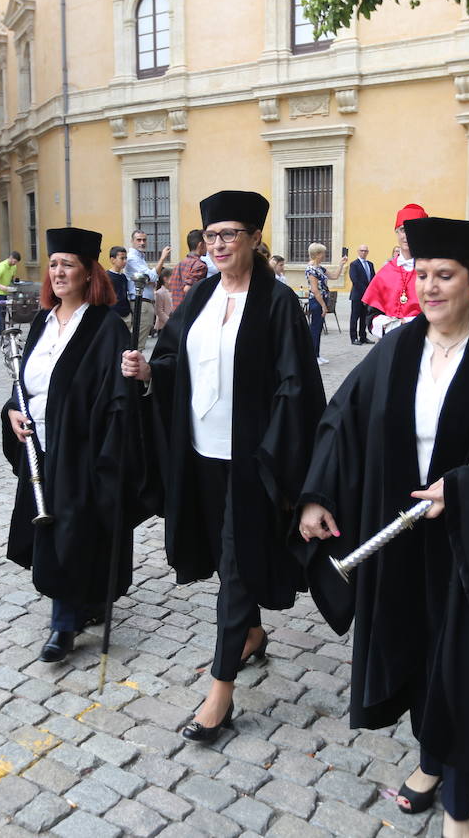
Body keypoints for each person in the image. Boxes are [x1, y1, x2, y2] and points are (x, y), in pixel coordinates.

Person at [297, 217, 469, 837]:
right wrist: (316, 495)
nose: (430, 288)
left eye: (445, 275)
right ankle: (427, 760)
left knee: (468, 668)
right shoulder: (396, 347)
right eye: (421, 275)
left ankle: (461, 799)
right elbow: (344, 419)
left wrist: (467, 492)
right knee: (417, 653)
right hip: (402, 535)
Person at [121, 190, 324, 744]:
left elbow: (296, 386)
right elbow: (172, 353)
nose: (219, 245)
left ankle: (220, 690)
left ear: (256, 239)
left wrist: (280, 458)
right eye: (212, 236)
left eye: (230, 234)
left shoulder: (279, 302)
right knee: (222, 551)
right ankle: (252, 632)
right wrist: (147, 372)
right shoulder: (203, 294)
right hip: (199, 452)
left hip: (253, 457)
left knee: (235, 564)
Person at [3, 228, 142, 662]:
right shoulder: (43, 321)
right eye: (54, 265)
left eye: (68, 265)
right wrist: (11, 410)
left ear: (88, 274)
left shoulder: (105, 329)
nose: (58, 272)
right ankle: (82, 603)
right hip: (41, 445)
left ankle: (62, 624)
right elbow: (25, 383)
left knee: (72, 530)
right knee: (57, 529)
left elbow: (121, 396)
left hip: (83, 450)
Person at [362, 204, 428, 338]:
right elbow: (372, 314)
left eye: (413, 230)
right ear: (396, 232)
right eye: (403, 230)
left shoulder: (431, 271)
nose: (407, 236)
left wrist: (408, 323)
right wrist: (386, 324)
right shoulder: (385, 272)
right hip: (388, 343)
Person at [125, 230, 171, 349]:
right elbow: (152, 277)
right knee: (137, 345)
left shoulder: (140, 258)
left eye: (144, 240)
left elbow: (152, 280)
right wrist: (162, 258)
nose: (142, 242)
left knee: (139, 343)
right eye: (138, 240)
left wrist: (151, 278)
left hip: (145, 302)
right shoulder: (132, 258)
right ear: (132, 241)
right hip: (140, 302)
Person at [305, 243, 347, 365]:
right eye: (323, 253)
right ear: (317, 254)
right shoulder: (311, 269)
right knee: (315, 329)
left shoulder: (320, 268)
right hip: (317, 301)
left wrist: (341, 264)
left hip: (321, 299)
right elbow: (314, 289)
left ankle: (317, 354)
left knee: (318, 329)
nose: (324, 255)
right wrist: (323, 305)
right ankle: (313, 356)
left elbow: (334, 276)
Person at [168, 229, 208, 313]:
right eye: (207, 243)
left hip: (176, 311)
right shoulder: (200, 266)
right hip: (189, 311)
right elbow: (188, 289)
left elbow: (171, 286)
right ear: (201, 245)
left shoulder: (179, 265)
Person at [348, 244, 376, 345]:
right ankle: (354, 338)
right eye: (362, 251)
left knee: (364, 317)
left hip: (368, 297)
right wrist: (366, 292)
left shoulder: (370, 264)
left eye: (365, 251)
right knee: (355, 317)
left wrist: (371, 293)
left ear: (368, 252)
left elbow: (374, 279)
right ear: (358, 252)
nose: (363, 252)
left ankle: (363, 337)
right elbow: (355, 280)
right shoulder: (354, 264)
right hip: (357, 295)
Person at [0, 250, 22, 335]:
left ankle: (2, 331)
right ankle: (1, 333)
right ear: (10, 258)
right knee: (2, 312)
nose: (14, 264)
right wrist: (2, 287)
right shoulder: (1, 266)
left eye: (16, 262)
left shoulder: (14, 267)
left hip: (5, 292)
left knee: (4, 312)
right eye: (14, 261)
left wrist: (15, 283)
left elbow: (11, 278)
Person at [107, 245, 133, 320]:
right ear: (113, 260)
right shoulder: (106, 277)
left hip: (126, 314)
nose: (125, 261)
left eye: (126, 258)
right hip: (114, 315)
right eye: (122, 258)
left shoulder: (123, 277)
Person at [153, 266, 173, 335]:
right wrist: (170, 321)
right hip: (163, 325)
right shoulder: (159, 293)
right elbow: (159, 311)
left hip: (173, 325)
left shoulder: (174, 292)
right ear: (165, 279)